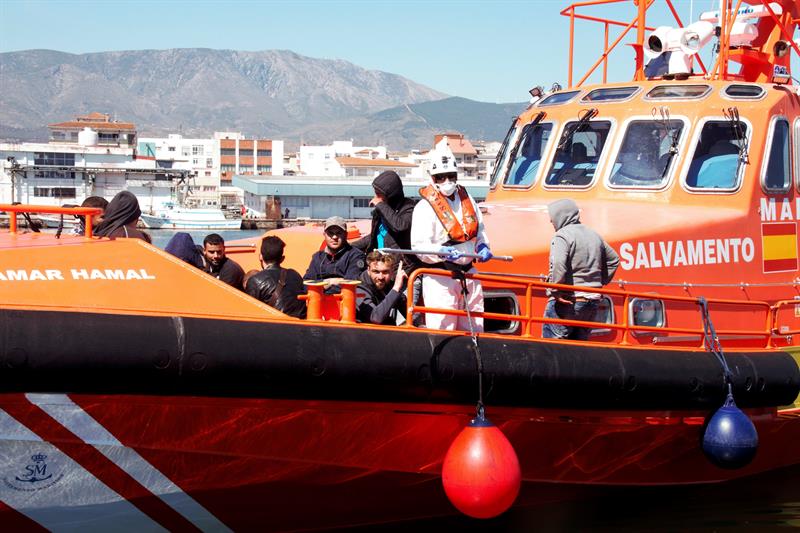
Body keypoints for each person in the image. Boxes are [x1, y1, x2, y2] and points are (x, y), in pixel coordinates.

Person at [410, 137, 493, 331]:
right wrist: (440, 252)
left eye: (451, 176)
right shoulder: (424, 207)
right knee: (443, 328)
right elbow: (418, 246)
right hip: (441, 277)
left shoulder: (467, 199)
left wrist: (483, 246)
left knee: (475, 327)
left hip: (469, 274)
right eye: (441, 177)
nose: (447, 181)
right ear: (432, 178)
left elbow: (479, 229)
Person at [543, 198, 620, 341]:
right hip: (592, 302)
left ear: (560, 216)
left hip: (569, 300)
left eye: (552, 216)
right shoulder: (594, 235)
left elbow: (559, 264)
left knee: (552, 346)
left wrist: (554, 289)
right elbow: (614, 260)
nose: (551, 221)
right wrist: (600, 281)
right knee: (579, 347)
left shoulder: (562, 236)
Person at [352, 170, 419, 275]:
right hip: (379, 266)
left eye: (379, 194)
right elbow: (374, 236)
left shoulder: (408, 207)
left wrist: (381, 205)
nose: (376, 198)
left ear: (391, 195)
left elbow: (400, 226)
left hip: (399, 269)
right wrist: (349, 247)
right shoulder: (382, 209)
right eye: (375, 193)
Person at [245, 236, 307, 318]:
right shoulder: (295, 274)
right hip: (300, 323)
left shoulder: (255, 281)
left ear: (260, 256)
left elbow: (250, 314)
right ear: (282, 258)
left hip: (275, 324)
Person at [304, 216, 366, 293]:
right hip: (317, 299)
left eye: (339, 233)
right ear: (324, 234)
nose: (334, 237)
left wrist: (319, 286)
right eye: (330, 233)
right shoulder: (317, 257)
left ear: (346, 234)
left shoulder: (356, 256)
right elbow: (305, 285)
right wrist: (330, 281)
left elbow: (351, 285)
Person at [356, 251, 407, 325]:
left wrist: (420, 325)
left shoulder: (390, 285)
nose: (380, 277)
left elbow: (410, 313)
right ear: (368, 270)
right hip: (361, 330)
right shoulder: (359, 287)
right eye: (376, 272)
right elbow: (375, 318)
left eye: (385, 272)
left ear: (392, 271)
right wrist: (396, 288)